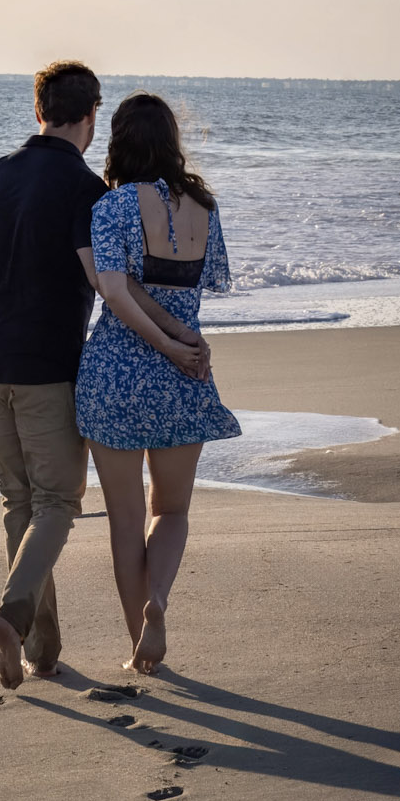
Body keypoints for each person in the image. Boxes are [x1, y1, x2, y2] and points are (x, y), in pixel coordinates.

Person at [0, 62, 114, 688]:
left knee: (20, 500)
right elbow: (101, 280)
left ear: (37, 109)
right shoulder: (85, 189)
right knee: (59, 501)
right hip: (46, 365)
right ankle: (14, 616)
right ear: (91, 113)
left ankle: (42, 651)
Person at [74, 92, 240, 675]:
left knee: (124, 521)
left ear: (119, 142)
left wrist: (162, 343)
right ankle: (160, 600)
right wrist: (177, 347)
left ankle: (138, 644)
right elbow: (200, 289)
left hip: (115, 374)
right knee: (170, 510)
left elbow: (114, 292)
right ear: (171, 140)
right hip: (182, 378)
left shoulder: (112, 206)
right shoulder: (203, 206)